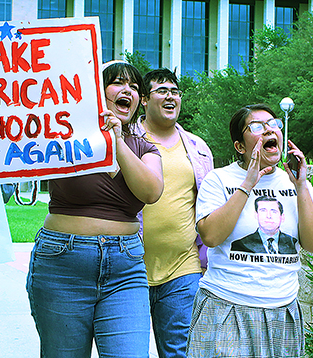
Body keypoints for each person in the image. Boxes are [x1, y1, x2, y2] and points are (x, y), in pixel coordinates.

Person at [26, 61, 164, 358]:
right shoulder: (62, 135)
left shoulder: (144, 148)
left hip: (125, 268)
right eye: (117, 83)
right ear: (96, 92)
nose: (128, 90)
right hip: (62, 264)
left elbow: (151, 191)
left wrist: (116, 140)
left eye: (135, 87)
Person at [187, 104, 313, 357]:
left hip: (282, 310)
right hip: (227, 306)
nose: (268, 130)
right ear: (240, 147)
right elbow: (210, 236)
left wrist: (303, 186)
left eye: (273, 124)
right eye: (256, 127)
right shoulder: (219, 180)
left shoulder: (295, 182)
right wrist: (248, 184)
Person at [133, 68, 213, 358]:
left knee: (180, 352)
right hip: (130, 269)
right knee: (129, 352)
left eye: (175, 91)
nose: (170, 97)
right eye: (162, 91)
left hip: (184, 267)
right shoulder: (126, 140)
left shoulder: (197, 147)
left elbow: (207, 205)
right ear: (144, 99)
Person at [231, 196, 297, 254]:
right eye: (263, 210)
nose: (268, 216)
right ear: (256, 215)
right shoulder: (240, 245)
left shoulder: (292, 242)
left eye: (274, 211)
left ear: (282, 217)